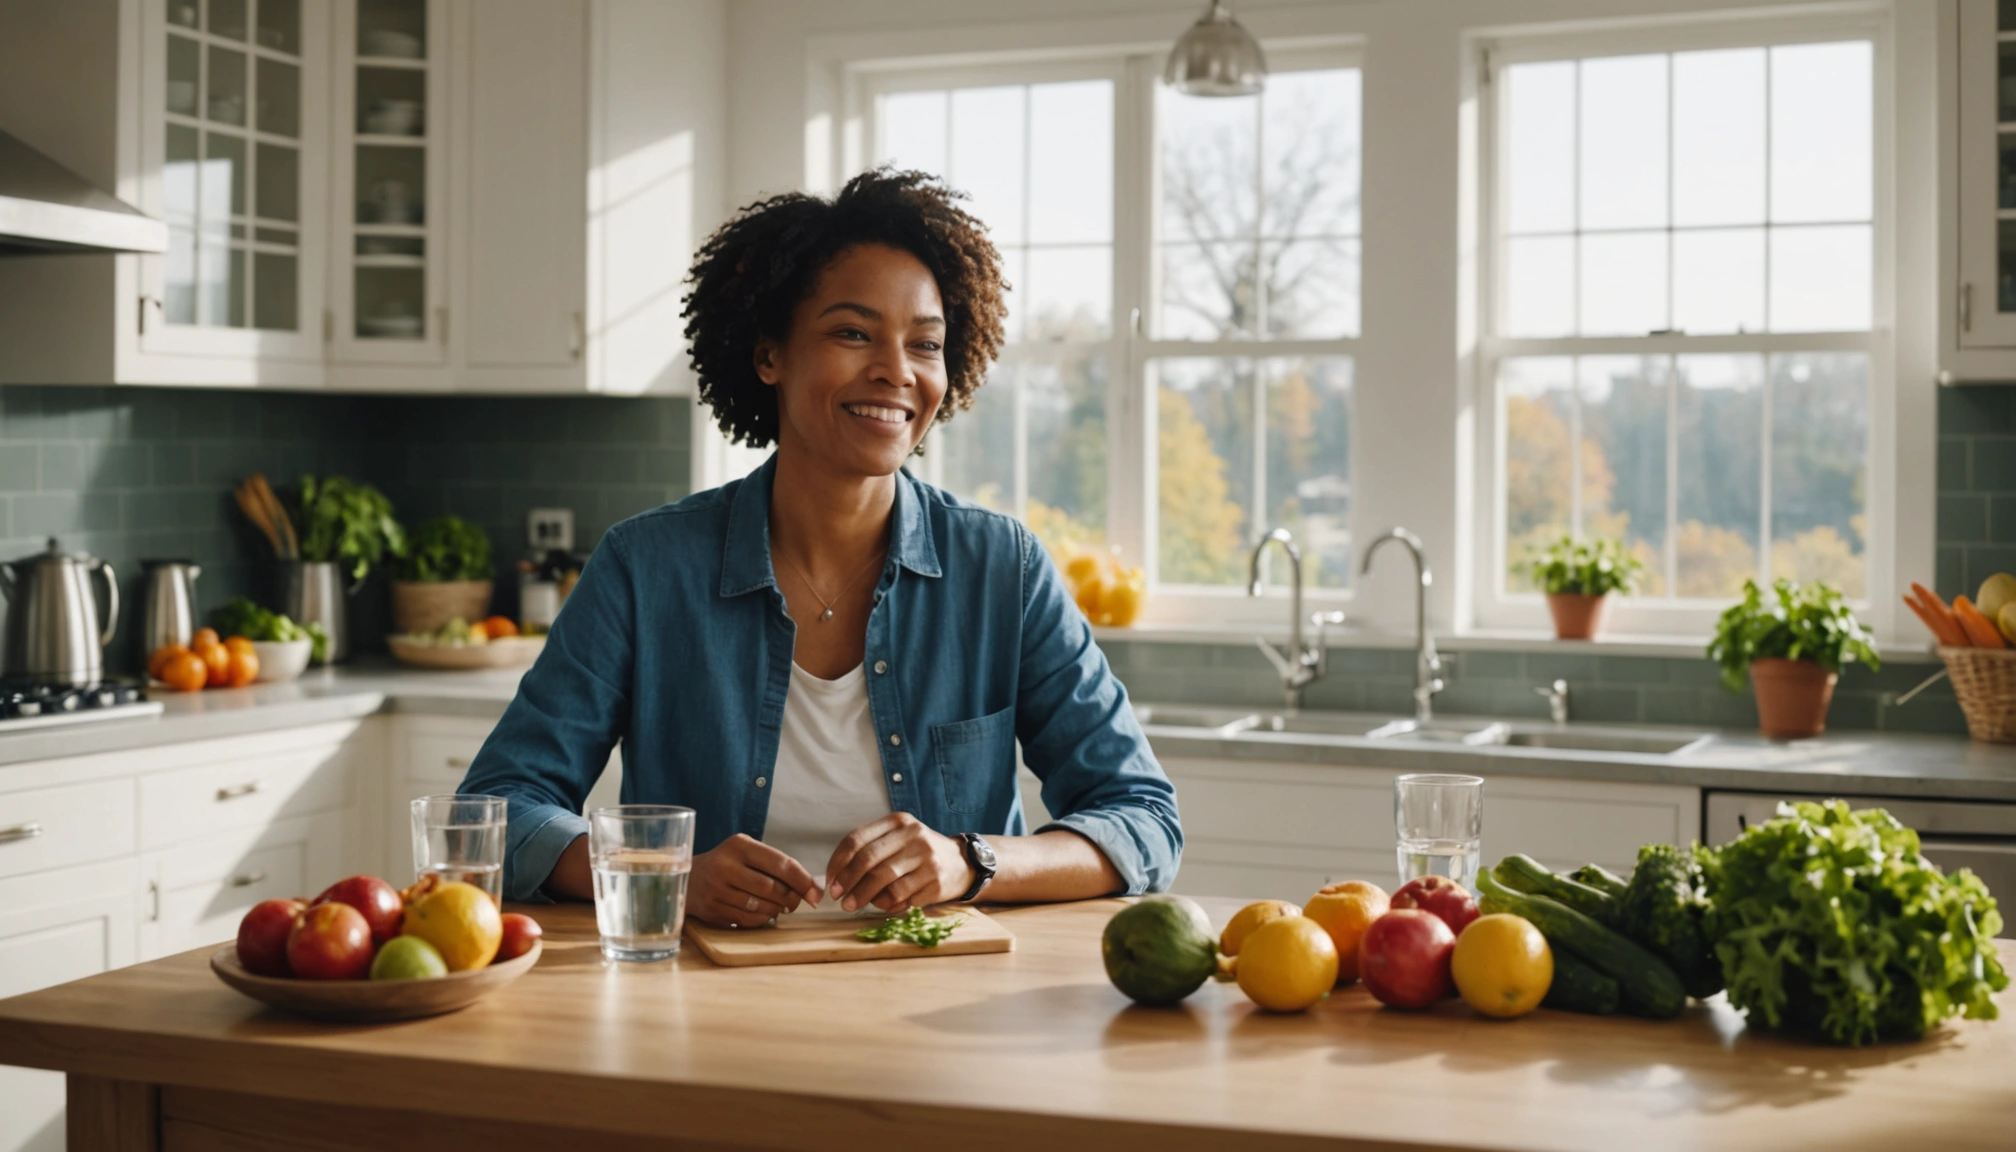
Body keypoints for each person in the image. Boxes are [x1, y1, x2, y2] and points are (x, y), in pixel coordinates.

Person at [458, 169, 1180, 928]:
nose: (896, 371)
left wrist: (970, 861)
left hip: (941, 1005)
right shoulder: (646, 568)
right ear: (769, 354)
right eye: (852, 332)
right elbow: (496, 810)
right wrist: (662, 873)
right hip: (710, 1003)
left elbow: (1141, 818)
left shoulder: (1003, 569)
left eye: (925, 343)